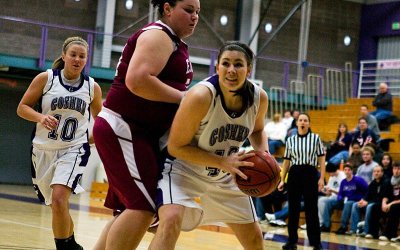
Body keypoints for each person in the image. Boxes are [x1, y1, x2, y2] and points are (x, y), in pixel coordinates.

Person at [92, 1, 200, 249]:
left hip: (138, 133)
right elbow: (138, 80)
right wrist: (186, 99)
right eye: (188, 9)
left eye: (197, 12)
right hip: (125, 127)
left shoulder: (173, 41)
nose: (194, 16)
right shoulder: (158, 35)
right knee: (143, 207)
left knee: (131, 210)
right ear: (168, 8)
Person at [149, 41, 268, 250]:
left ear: (249, 69)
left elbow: (257, 130)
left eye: (238, 64)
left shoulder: (259, 98)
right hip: (183, 169)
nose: (231, 70)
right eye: (226, 63)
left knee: (254, 239)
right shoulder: (201, 96)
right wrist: (223, 161)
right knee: (170, 222)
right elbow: (176, 147)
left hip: (226, 173)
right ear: (217, 67)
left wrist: (263, 155)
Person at [16, 36, 103, 250]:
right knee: (56, 205)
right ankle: (71, 244)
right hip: (43, 150)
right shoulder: (46, 79)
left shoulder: (92, 88)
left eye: (82, 56)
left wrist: (91, 140)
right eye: (73, 54)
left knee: (59, 198)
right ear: (64, 56)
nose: (77, 59)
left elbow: (102, 122)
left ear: (86, 60)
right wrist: (41, 118)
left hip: (73, 150)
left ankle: (64, 247)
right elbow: (22, 108)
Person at [277, 113, 326, 250]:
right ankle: (291, 241)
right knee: (293, 209)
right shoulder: (290, 140)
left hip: (310, 173)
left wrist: (321, 178)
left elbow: (321, 159)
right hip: (294, 174)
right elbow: (286, 162)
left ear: (309, 123)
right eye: (300, 120)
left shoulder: (315, 138)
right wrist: (282, 180)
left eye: (305, 120)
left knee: (312, 209)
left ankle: (316, 242)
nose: (303, 122)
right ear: (297, 123)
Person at [349, 165, 386, 237]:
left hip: (379, 204)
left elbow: (382, 197)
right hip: (371, 202)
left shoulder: (385, 182)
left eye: (378, 171)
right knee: (355, 205)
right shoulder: (373, 183)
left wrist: (367, 202)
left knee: (369, 206)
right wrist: (362, 200)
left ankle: (366, 231)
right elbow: (367, 195)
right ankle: (353, 230)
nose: (376, 173)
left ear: (382, 173)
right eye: (374, 171)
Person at [317, 163, 346, 232]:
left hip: (341, 199)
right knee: (320, 200)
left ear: (333, 171)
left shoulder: (342, 176)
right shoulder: (332, 177)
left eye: (330, 173)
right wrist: (322, 189)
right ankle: (322, 223)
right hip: (332, 197)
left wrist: (332, 190)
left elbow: (343, 193)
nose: (330, 175)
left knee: (325, 202)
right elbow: (329, 192)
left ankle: (326, 225)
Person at [378, 161, 400, 242]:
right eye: (395, 168)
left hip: (397, 203)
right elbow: (385, 195)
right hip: (391, 203)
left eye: (399, 169)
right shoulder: (388, 181)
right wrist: (384, 203)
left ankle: (389, 234)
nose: (396, 171)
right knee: (375, 206)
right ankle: (371, 232)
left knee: (394, 208)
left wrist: (390, 204)